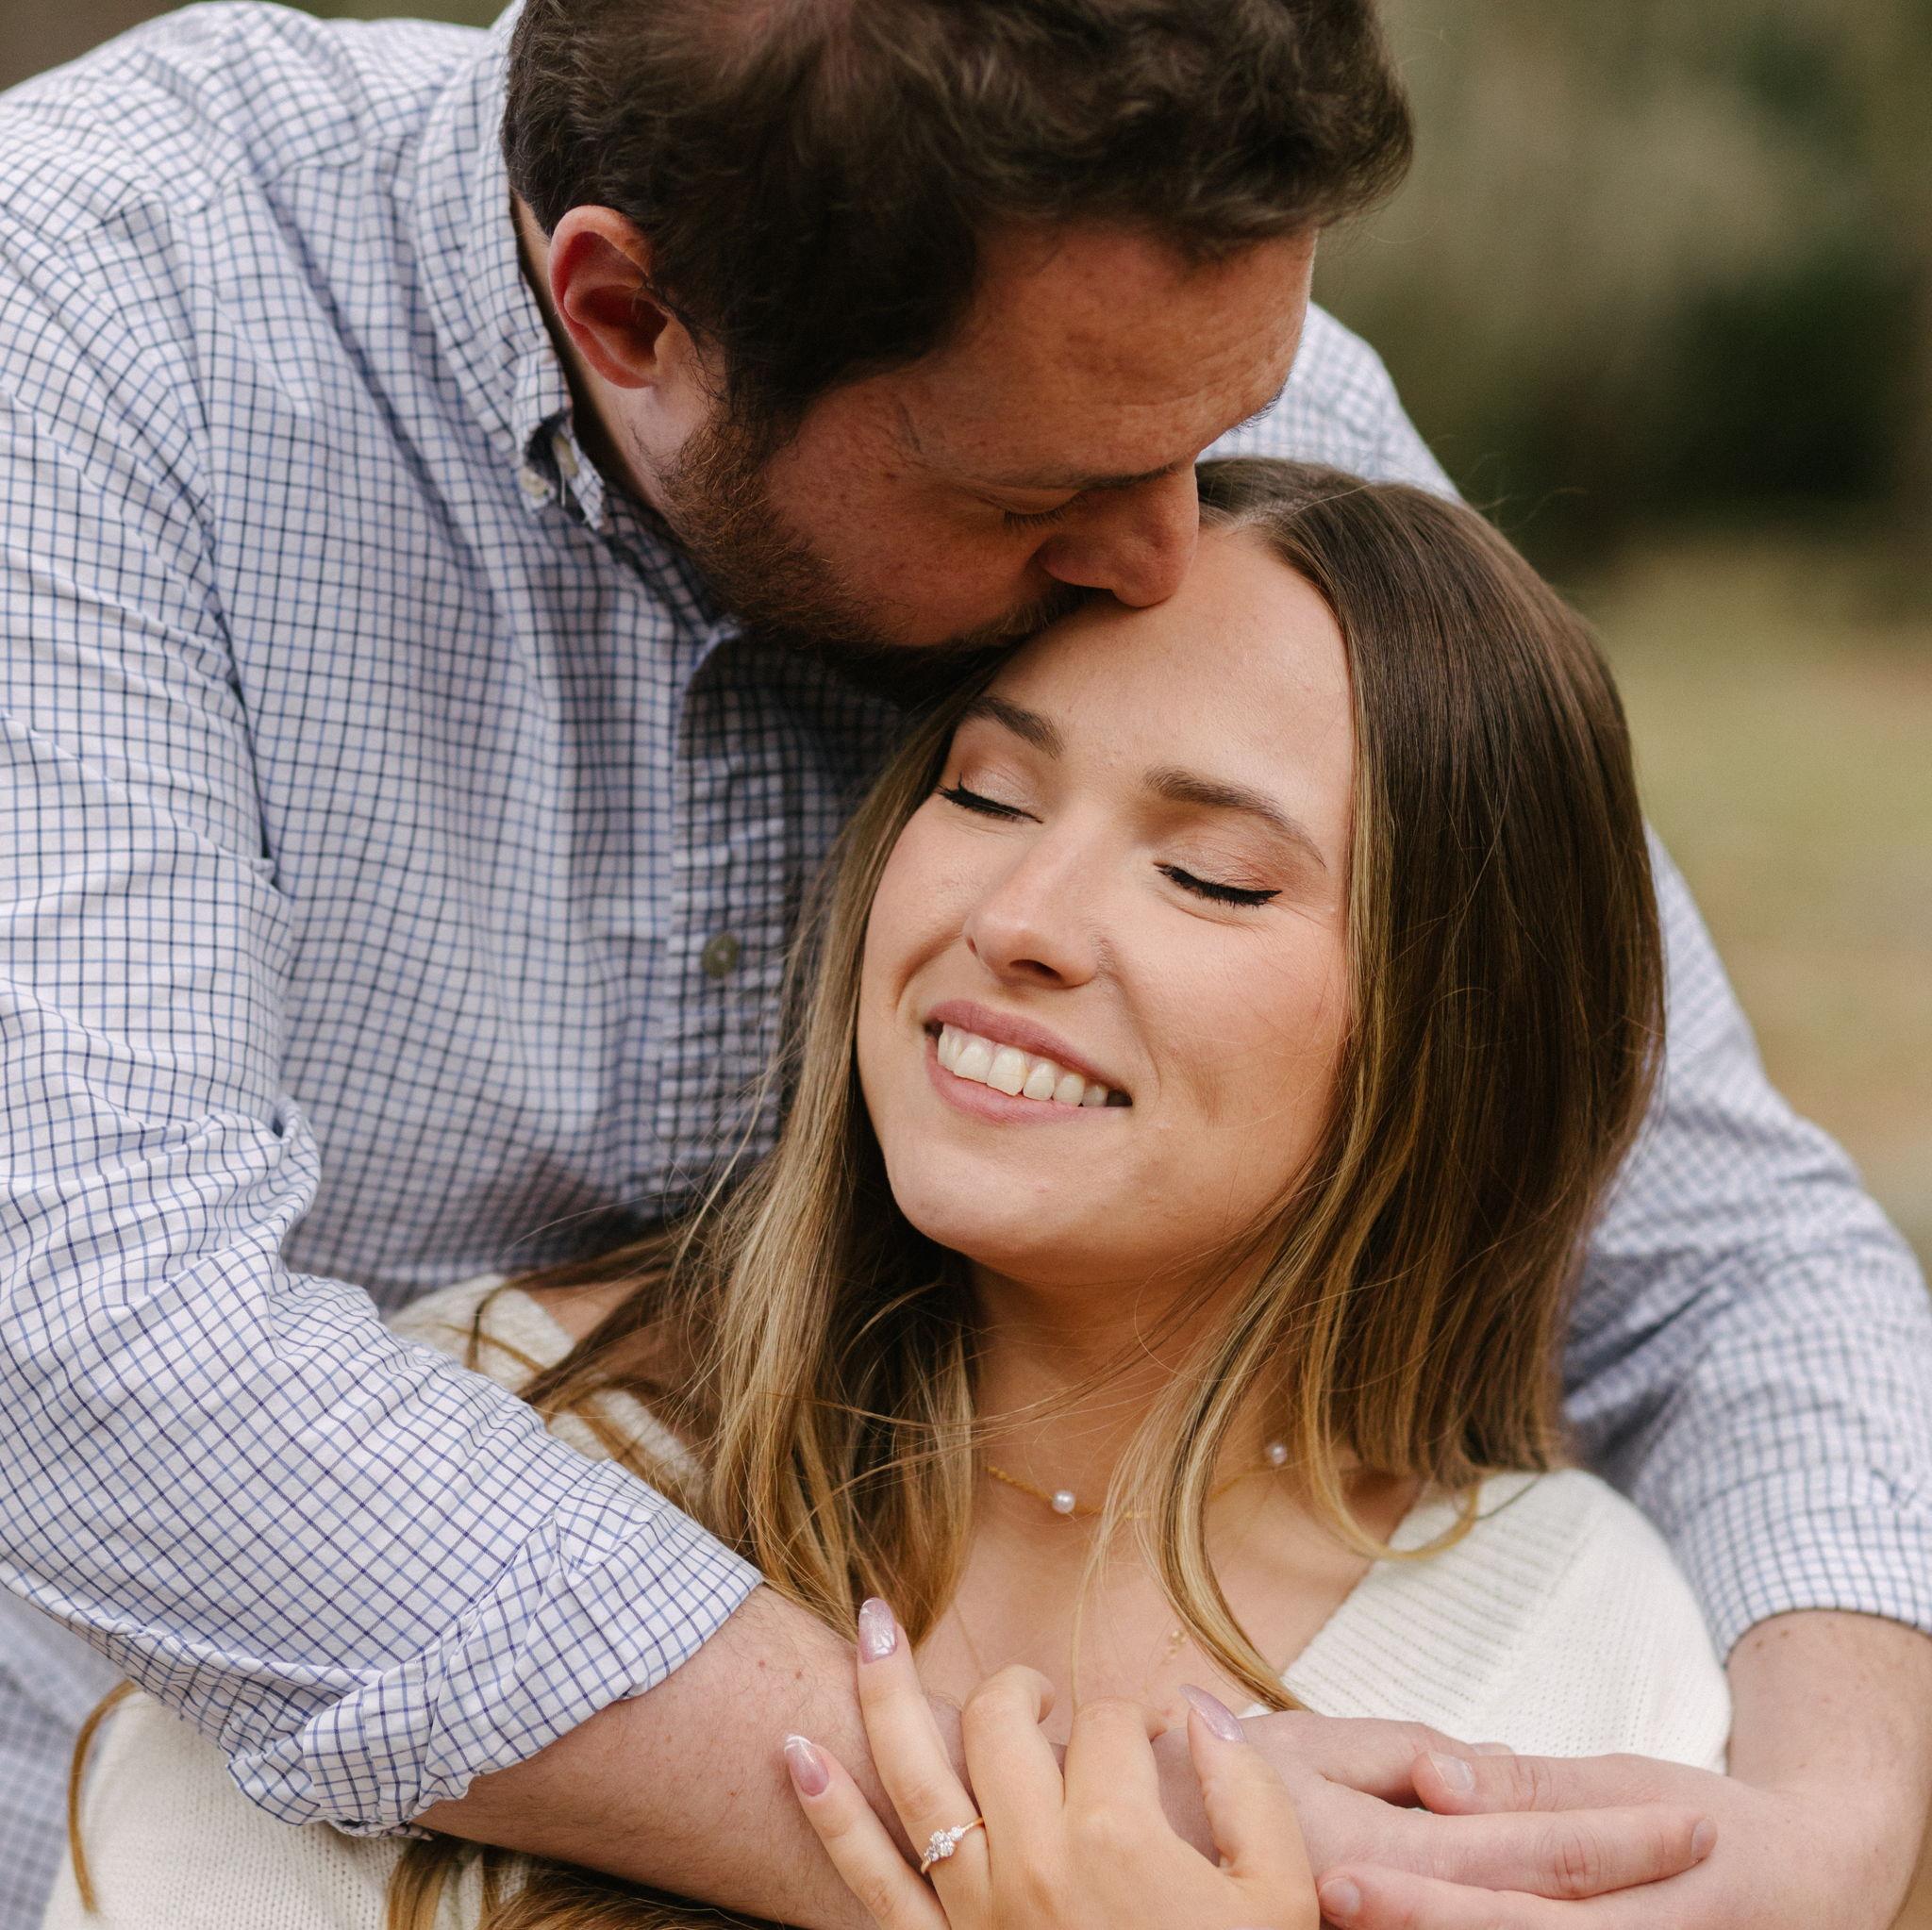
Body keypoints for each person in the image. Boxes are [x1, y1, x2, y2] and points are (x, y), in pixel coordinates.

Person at [1, 1, 1929, 1926]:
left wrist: (1839, 1828)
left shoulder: (1133, 377)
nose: (1168, 549)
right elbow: (90, 1335)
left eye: (1214, 437)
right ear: (630, 318)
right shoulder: (107, 304)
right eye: (1031, 504)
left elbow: (1714, 1244)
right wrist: (1036, 1840)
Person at [53, 461, 1732, 1929]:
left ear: (1456, 1035)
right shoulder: (461, 1453)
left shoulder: (1568, 1648)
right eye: (986, 792)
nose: (1020, 915)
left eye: (1210, 874)